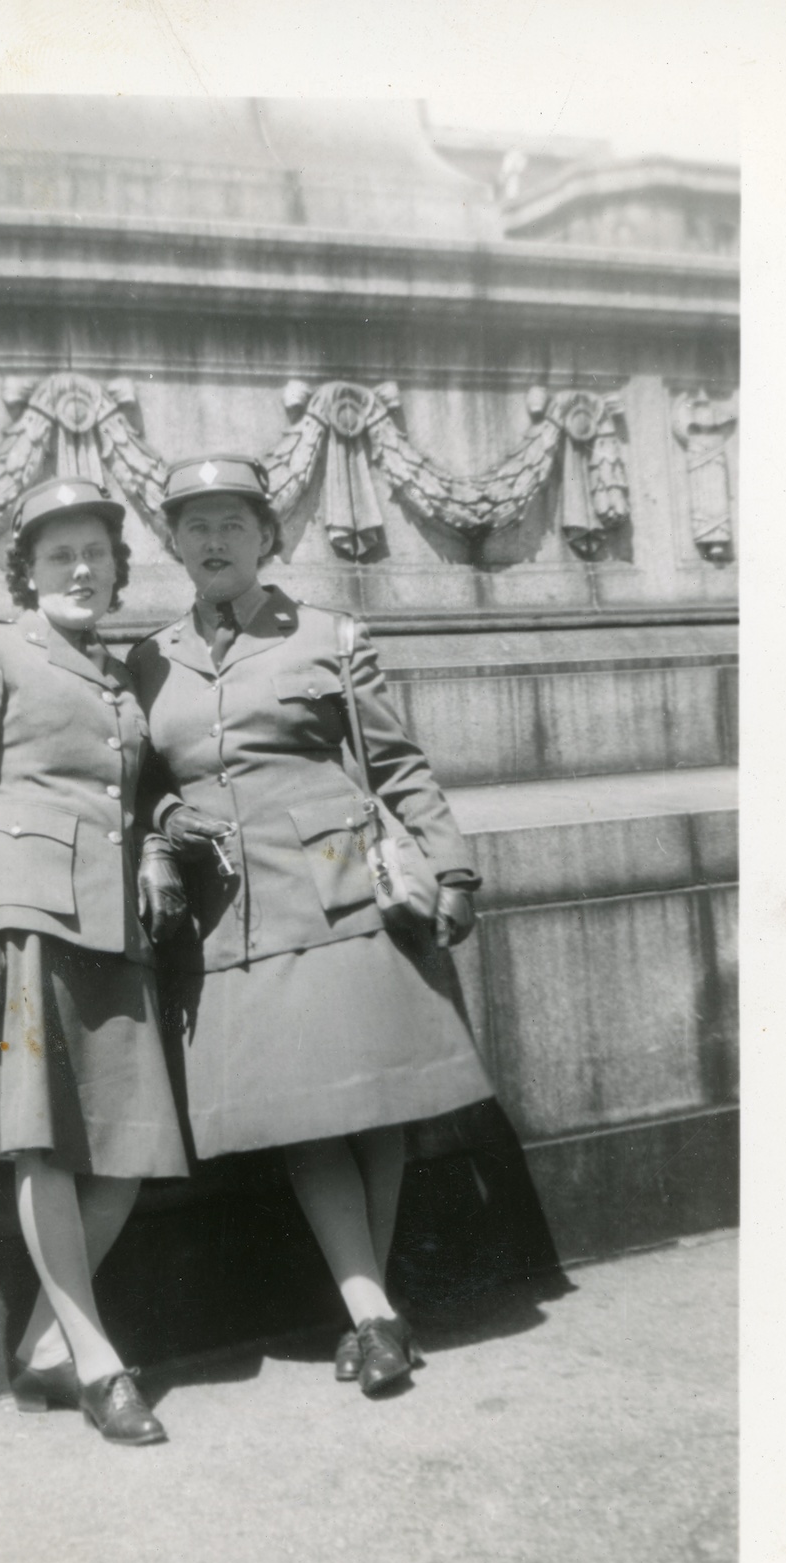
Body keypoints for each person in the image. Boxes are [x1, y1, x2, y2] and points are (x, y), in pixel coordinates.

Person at [129, 453, 561, 1399]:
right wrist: (166, 822)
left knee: (365, 1099)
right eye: (194, 525)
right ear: (172, 543)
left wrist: (452, 865)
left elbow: (398, 763)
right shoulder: (148, 660)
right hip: (234, 914)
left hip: (342, 890)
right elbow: (146, 784)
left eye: (232, 524)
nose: (213, 540)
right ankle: (374, 1306)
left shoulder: (326, 634)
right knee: (304, 1113)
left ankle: (371, 1313)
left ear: (268, 537)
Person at [0, 475, 189, 1446]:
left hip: (116, 930)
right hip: (28, 921)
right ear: (26, 574)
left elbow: (142, 795)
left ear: (119, 569)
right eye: (58, 555)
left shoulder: (122, 677)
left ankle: (45, 1342)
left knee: (126, 1148)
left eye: (97, 554)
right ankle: (98, 1357)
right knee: (43, 1140)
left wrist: (159, 850)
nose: (82, 569)